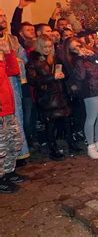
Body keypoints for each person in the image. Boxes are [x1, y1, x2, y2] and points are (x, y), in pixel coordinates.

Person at [26, 35, 80, 160]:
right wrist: (52, 77)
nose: (47, 49)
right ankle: (53, 149)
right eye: (45, 47)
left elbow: (63, 74)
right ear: (39, 46)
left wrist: (62, 77)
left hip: (60, 93)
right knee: (50, 124)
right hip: (47, 96)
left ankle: (71, 144)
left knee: (67, 121)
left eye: (50, 46)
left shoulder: (54, 59)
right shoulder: (33, 61)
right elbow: (32, 80)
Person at [65, 38, 98, 159]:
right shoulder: (75, 60)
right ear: (70, 50)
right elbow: (80, 76)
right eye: (74, 47)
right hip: (91, 91)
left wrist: (95, 53)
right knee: (91, 118)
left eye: (79, 45)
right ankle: (91, 146)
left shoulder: (92, 52)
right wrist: (81, 58)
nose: (78, 48)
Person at [0, 10, 26, 193]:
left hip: (8, 105)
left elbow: (13, 71)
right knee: (1, 145)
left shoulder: (4, 46)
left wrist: (7, 53)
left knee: (13, 141)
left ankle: (9, 172)